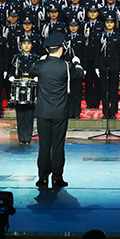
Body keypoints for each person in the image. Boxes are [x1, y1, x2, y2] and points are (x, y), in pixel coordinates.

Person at [31, 33, 84, 188]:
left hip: (43, 112)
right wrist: (77, 63)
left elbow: (31, 69)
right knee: (58, 146)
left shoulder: (40, 65)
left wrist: (42, 59)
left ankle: (42, 178)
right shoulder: (66, 66)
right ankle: (57, 178)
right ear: (61, 49)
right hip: (60, 112)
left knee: (44, 146)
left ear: (47, 50)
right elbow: (80, 74)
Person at [9, 37, 38, 145]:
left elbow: (38, 70)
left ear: (31, 45)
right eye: (24, 43)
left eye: (28, 43)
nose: (26, 46)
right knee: (20, 115)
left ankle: (28, 137)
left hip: (31, 89)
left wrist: (37, 77)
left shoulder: (35, 58)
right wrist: (11, 76)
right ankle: (21, 138)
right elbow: (11, 70)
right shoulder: (17, 58)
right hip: (19, 89)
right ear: (21, 45)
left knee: (29, 115)